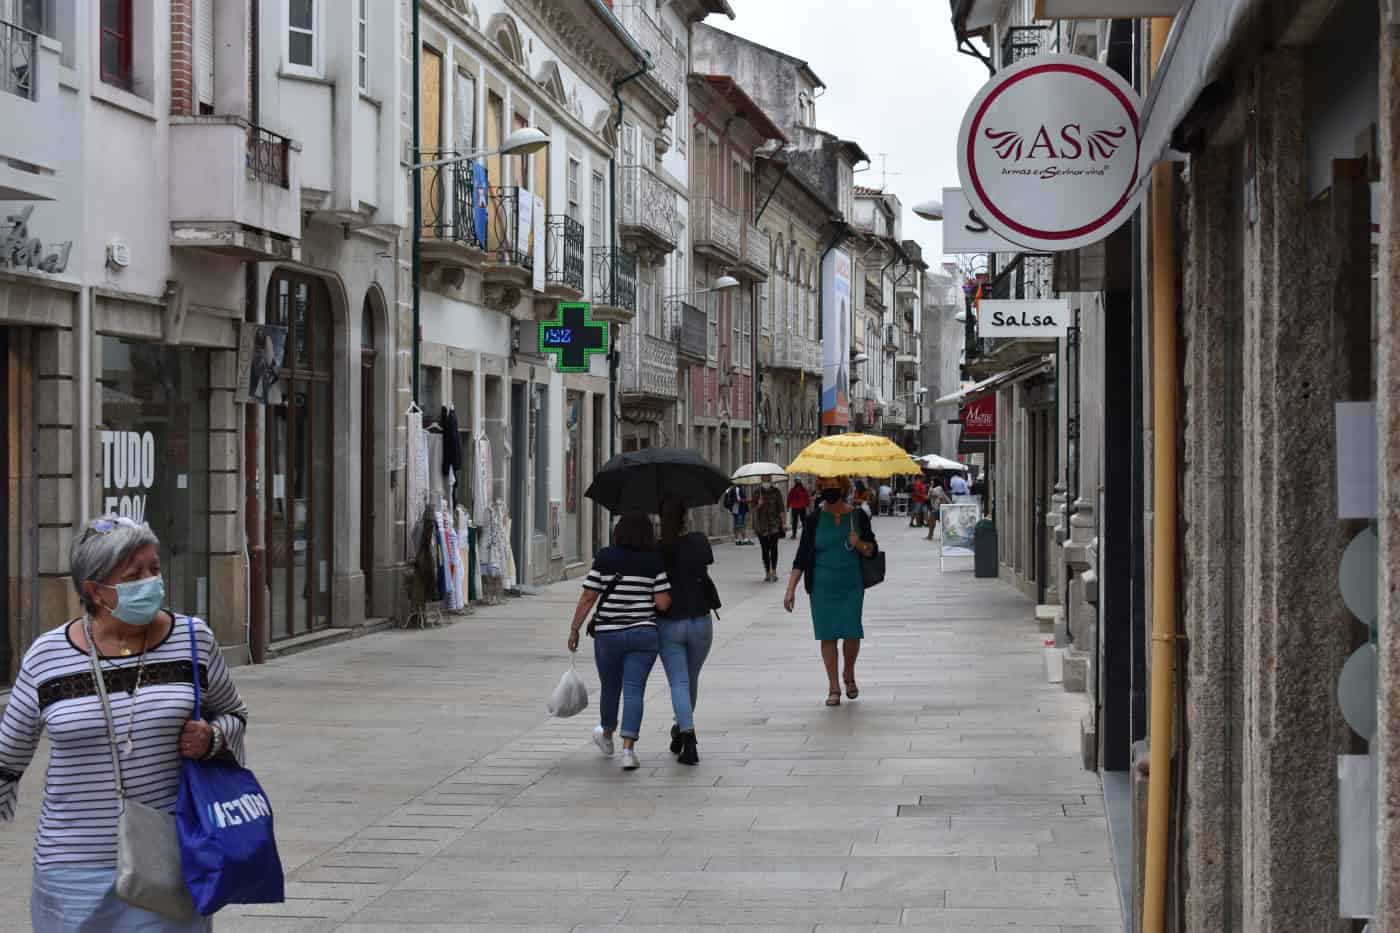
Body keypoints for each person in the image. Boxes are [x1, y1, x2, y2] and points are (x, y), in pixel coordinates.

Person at [1, 515, 250, 932]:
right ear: (94, 590)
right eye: (134, 575)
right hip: (71, 868)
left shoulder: (193, 640)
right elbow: (7, 759)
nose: (150, 582)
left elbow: (234, 715)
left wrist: (212, 737)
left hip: (165, 859)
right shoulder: (47, 656)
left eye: (154, 569)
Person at [567, 512, 672, 771]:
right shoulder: (654, 560)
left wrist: (575, 628)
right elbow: (662, 603)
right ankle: (628, 750)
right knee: (634, 690)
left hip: (608, 635)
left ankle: (606, 736)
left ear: (619, 531)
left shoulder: (605, 557)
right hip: (643, 634)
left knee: (610, 687)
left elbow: (589, 596)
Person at [784, 476, 877, 707]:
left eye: (834, 486)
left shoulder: (858, 516)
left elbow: (872, 550)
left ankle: (849, 672)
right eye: (825, 486)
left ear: (843, 488)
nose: (829, 490)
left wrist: (859, 544)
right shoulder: (813, 519)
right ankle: (834, 686)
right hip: (822, 587)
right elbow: (801, 557)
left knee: (852, 632)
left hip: (851, 584)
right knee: (827, 635)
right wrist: (790, 589)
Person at [657, 498, 715, 766]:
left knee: (679, 682)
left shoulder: (657, 549)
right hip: (701, 620)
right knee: (691, 678)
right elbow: (704, 565)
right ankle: (681, 730)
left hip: (669, 622)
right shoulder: (699, 541)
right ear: (685, 516)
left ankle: (688, 738)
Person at [751, 478, 786, 583]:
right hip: (761, 526)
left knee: (774, 548)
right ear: (761, 479)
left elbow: (781, 508)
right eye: (764, 478)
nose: (766, 481)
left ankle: (774, 571)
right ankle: (767, 572)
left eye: (768, 478)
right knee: (765, 549)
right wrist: (759, 505)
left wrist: (783, 523)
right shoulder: (757, 492)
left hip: (774, 524)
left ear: (771, 480)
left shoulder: (776, 492)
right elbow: (752, 509)